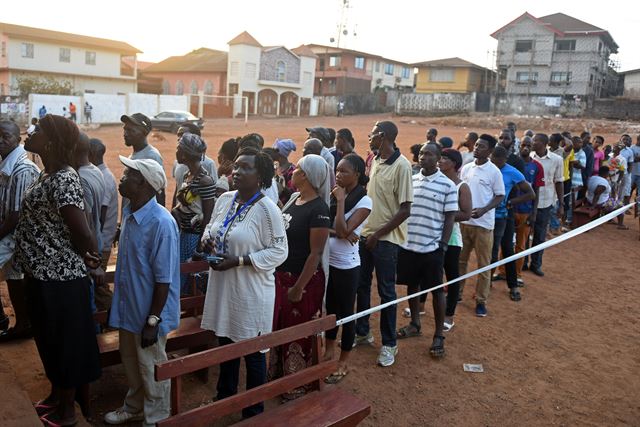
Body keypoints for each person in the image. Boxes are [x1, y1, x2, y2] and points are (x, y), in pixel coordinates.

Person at [14, 114, 102, 426]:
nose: (30, 131)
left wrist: (86, 255)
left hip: (61, 280)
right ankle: (55, 397)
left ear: (50, 141)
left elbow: (81, 230)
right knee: (49, 340)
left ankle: (67, 412)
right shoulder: (47, 174)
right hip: (42, 276)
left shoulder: (64, 178)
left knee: (65, 344)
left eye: (36, 130)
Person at [199, 147, 287, 418]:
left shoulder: (266, 209)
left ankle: (253, 410)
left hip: (251, 291)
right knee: (226, 343)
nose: (237, 171)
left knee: (252, 350)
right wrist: (207, 242)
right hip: (224, 286)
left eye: (245, 167)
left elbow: (280, 251)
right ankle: (224, 397)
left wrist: (239, 261)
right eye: (236, 166)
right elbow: (210, 227)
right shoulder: (225, 199)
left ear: (260, 174)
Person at [105, 156, 180, 426]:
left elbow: (163, 280)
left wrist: (153, 321)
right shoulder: (129, 212)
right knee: (131, 363)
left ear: (144, 184)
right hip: (129, 308)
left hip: (150, 314)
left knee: (151, 367)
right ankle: (134, 406)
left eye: (128, 175)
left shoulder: (161, 223)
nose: (121, 178)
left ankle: (157, 418)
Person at [270, 154, 330, 398]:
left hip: (303, 281)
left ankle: (296, 384)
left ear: (305, 175)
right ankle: (277, 378)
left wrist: (298, 287)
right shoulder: (295, 198)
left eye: (297, 168)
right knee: (279, 327)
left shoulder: (319, 209)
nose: (292, 171)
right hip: (282, 277)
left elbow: (315, 253)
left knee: (298, 332)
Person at [355, 121, 413, 368]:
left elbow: (405, 209)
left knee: (387, 292)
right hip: (366, 235)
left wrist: (378, 234)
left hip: (386, 241)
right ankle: (362, 332)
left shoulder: (402, 166)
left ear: (384, 136)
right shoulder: (375, 160)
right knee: (362, 286)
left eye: (372, 134)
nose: (369, 137)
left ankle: (389, 344)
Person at [396, 143, 457, 358]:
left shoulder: (448, 185)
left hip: (432, 247)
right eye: (422, 153)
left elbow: (450, 218)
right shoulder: (411, 180)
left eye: (429, 154)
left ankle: (439, 334)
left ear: (438, 158)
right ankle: (415, 323)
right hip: (409, 245)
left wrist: (442, 245)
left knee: (437, 291)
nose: (424, 157)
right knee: (413, 285)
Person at [324, 153, 371, 384]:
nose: (338, 175)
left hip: (346, 266)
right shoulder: (333, 195)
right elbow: (329, 228)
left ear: (357, 175)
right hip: (327, 262)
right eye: (337, 170)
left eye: (344, 171)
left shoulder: (364, 201)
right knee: (331, 311)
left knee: (346, 314)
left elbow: (341, 230)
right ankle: (329, 350)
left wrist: (341, 202)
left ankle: (343, 361)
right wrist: (342, 232)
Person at [0, 120, 40, 341]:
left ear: (18, 139)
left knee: (17, 278)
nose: (0, 140)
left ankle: (23, 322)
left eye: (5, 136)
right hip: (11, 233)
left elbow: (16, 216)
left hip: (17, 235)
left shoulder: (22, 169)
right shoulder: (6, 164)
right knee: (14, 278)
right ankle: (22, 324)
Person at [458, 134, 505, 317]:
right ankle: (458, 293)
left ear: (490, 151)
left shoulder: (494, 172)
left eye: (482, 146)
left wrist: (485, 209)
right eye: (476, 145)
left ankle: (481, 300)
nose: (477, 148)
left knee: (483, 265)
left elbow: (500, 195)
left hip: (483, 225)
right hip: (464, 223)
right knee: (460, 261)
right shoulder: (467, 168)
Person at [172, 133, 216, 295]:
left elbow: (208, 216)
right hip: (184, 235)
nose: (176, 152)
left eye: (178, 148)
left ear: (184, 154)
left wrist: (199, 250)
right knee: (181, 279)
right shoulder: (187, 175)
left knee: (191, 281)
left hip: (195, 238)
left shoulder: (205, 181)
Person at [489, 146, 534, 302]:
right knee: (490, 251)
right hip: (485, 215)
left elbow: (530, 193)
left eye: (498, 160)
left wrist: (511, 202)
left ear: (504, 160)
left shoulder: (512, 172)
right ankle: (486, 284)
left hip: (504, 216)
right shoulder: (485, 168)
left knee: (507, 249)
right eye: (492, 159)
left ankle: (513, 285)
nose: (494, 163)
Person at [497, 136, 543, 285]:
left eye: (529, 145)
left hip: (525, 210)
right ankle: (502, 272)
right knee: (505, 244)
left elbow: (535, 191)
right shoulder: (511, 161)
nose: (526, 148)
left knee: (520, 245)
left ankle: (516, 275)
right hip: (508, 211)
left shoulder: (536, 166)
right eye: (523, 144)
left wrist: (533, 212)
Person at [438, 149, 472, 332]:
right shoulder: (436, 182)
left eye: (444, 158)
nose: (440, 161)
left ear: (454, 164)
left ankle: (449, 316)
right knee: (428, 275)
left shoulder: (462, 186)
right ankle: (418, 308)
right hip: (432, 236)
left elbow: (466, 213)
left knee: (451, 278)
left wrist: (443, 215)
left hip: (451, 240)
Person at [75, 133, 107, 311]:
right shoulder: (95, 170)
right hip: (96, 238)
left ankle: (93, 334)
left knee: (87, 301)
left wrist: (92, 254)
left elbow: (86, 222)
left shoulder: (80, 178)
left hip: (88, 244)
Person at [530, 133, 564, 276]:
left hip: (545, 201)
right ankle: (523, 262)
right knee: (525, 234)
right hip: (528, 201)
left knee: (540, 234)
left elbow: (559, 181)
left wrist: (561, 204)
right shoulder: (529, 157)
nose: (532, 143)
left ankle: (536, 264)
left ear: (544, 144)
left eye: (535, 141)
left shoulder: (557, 160)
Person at [121, 113, 165, 208]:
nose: (125, 134)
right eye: (125, 129)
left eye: (130, 130)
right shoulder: (131, 157)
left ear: (144, 132)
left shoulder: (152, 156)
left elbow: (159, 192)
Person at [88, 138, 119, 270]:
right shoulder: (101, 174)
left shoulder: (104, 177)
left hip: (101, 243)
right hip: (101, 242)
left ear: (92, 154)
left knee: (96, 281)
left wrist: (94, 245)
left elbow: (101, 215)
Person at [171, 124, 217, 199]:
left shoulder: (208, 164)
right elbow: (178, 188)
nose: (179, 139)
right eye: (178, 136)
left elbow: (212, 194)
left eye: (183, 136)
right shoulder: (178, 163)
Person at [567, 136, 587, 227]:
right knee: (565, 201)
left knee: (572, 202)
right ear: (573, 143)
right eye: (578, 142)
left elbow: (582, 166)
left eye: (581, 142)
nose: (581, 144)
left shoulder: (582, 153)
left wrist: (573, 162)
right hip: (566, 179)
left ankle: (569, 220)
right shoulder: (568, 151)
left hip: (576, 181)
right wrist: (574, 162)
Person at [272, 138, 297, 204]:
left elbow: (293, 194)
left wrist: (282, 186)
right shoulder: (275, 166)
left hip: (285, 205)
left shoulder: (292, 171)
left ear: (281, 155)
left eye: (275, 151)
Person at [619, 134, 635, 207]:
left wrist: (628, 175)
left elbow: (630, 163)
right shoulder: (615, 148)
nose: (626, 141)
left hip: (625, 173)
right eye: (624, 139)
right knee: (615, 190)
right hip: (615, 174)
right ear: (620, 140)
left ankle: (625, 207)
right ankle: (614, 206)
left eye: (627, 140)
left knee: (626, 190)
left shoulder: (629, 151)